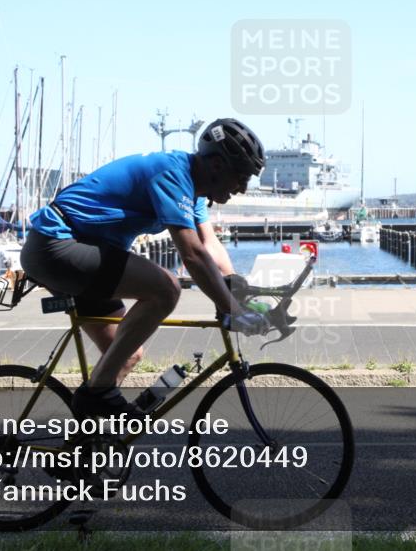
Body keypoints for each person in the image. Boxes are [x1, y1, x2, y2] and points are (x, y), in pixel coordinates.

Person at [20, 118, 269, 419]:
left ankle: (83, 451)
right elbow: (191, 255)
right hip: (56, 246)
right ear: (217, 165)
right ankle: (96, 393)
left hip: (83, 252)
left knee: (126, 355)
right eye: (241, 176)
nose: (243, 188)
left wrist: (234, 293)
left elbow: (210, 248)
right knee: (165, 289)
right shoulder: (171, 174)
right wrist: (233, 310)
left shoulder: (194, 192)